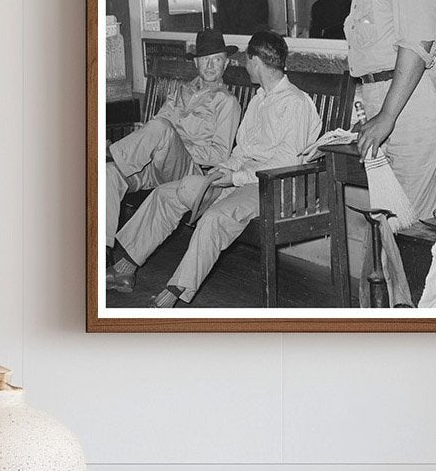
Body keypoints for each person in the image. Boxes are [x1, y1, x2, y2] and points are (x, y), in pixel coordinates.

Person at [107, 31, 321, 307]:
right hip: (241, 177)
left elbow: (285, 161)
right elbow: (240, 151)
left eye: (246, 60)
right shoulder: (259, 100)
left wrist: (236, 176)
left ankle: (176, 290)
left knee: (214, 218)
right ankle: (126, 265)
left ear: (255, 61)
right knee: (168, 194)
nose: (244, 66)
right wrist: (220, 172)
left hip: (271, 184)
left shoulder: (293, 102)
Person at [310, 0, 436, 219]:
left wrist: (387, 115)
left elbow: (417, 45)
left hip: (412, 103)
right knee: (390, 214)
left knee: (410, 218)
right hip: (389, 100)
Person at [106, 30, 241, 274]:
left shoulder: (227, 103)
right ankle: (102, 253)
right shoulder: (180, 91)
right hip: (159, 164)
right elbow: (155, 129)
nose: (210, 65)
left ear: (226, 63)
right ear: (196, 62)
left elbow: (221, 155)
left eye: (217, 59)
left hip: (189, 170)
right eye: (205, 59)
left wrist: (178, 146)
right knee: (107, 174)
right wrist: (162, 144)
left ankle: (111, 152)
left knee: (161, 129)